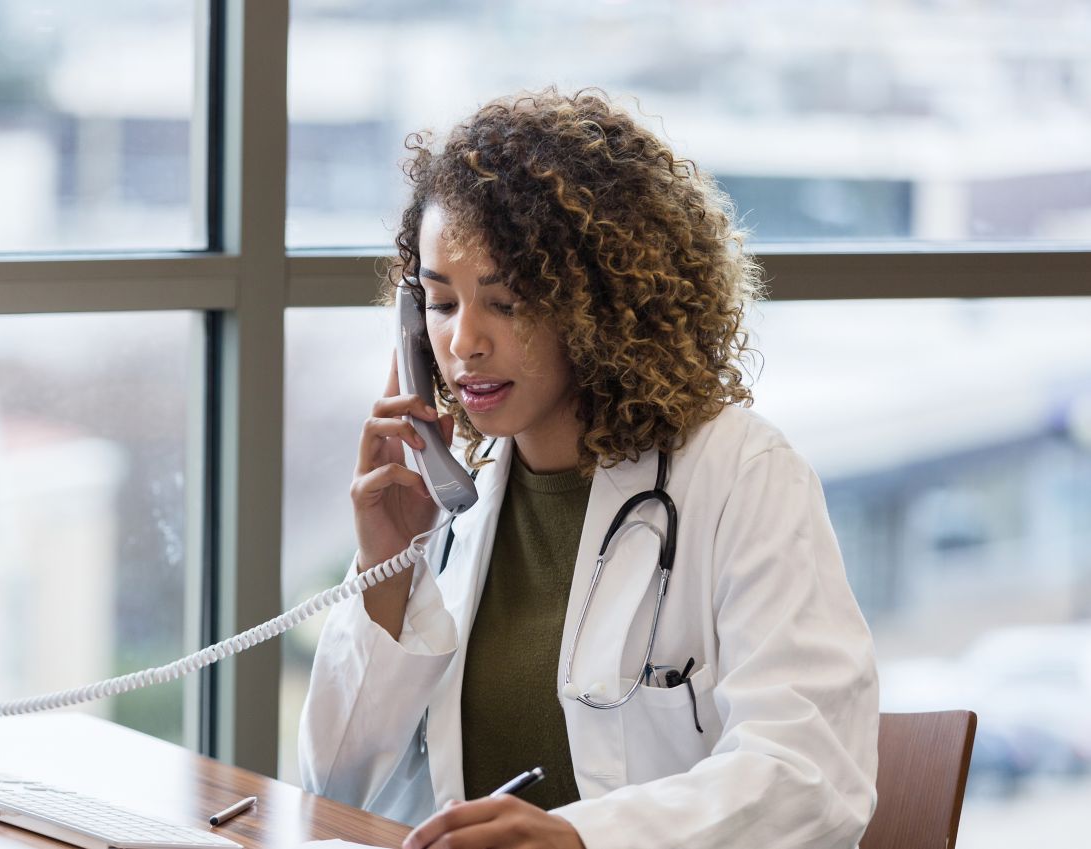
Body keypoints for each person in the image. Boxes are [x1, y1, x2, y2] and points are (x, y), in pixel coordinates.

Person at [298, 87, 879, 849]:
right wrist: (385, 564)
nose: (464, 343)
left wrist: (582, 840)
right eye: (440, 304)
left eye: (503, 302)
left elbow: (808, 775)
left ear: (599, 304)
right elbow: (332, 786)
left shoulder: (743, 476)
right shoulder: (446, 509)